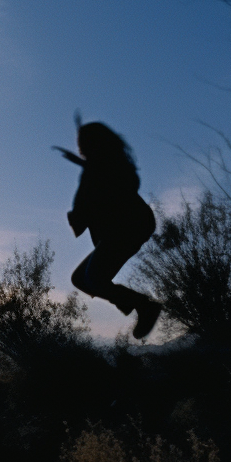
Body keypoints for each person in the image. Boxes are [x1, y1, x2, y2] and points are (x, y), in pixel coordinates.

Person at [58, 121, 163, 339]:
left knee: (94, 279)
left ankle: (144, 306)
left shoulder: (113, 165)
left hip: (130, 226)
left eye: (83, 142)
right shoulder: (95, 168)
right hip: (118, 230)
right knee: (80, 279)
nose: (79, 146)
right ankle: (140, 305)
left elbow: (122, 181)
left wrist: (85, 167)